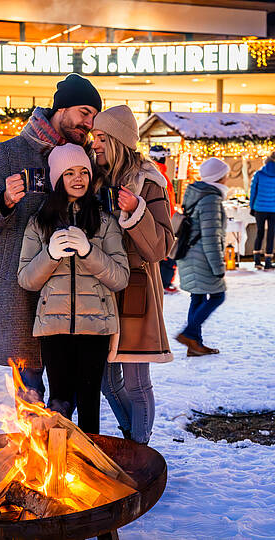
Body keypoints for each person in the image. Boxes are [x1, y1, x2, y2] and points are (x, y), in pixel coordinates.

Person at [0, 74, 102, 401]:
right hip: (21, 293)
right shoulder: (9, 153)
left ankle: (63, 452)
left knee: (65, 393)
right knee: (30, 392)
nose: (88, 123)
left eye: (93, 117)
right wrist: (5, 199)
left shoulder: (85, 158)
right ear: (62, 108)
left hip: (69, 293)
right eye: (84, 112)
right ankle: (36, 452)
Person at [17, 144, 129, 434]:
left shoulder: (104, 222)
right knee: (60, 402)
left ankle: (90, 467)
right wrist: (50, 254)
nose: (78, 179)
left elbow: (120, 278)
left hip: (96, 328)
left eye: (83, 172)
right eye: (69, 173)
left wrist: (88, 250)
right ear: (56, 178)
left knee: (90, 402)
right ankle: (59, 464)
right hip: (53, 327)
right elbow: (27, 279)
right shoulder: (39, 224)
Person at [92, 105, 174, 444]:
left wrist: (135, 211)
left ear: (116, 139)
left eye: (100, 137)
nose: (94, 143)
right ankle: (132, 439)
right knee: (106, 380)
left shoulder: (148, 180)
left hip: (136, 292)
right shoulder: (93, 177)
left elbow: (162, 248)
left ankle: (140, 451)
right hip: (98, 290)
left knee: (137, 381)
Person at [176, 157, 229, 357]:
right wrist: (218, 267)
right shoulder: (210, 199)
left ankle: (194, 345)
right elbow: (211, 236)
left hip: (190, 254)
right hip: (202, 257)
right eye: (225, 174)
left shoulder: (197, 193)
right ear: (219, 177)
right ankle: (190, 334)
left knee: (197, 297)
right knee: (218, 295)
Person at [149, 145, 179, 294]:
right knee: (168, 253)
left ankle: (162, 281)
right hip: (165, 219)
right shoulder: (160, 176)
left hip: (160, 218)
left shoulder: (153, 173)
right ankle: (165, 282)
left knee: (163, 254)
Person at [250, 152, 275, 271]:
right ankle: (269, 262)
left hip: (259, 208)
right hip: (274, 209)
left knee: (259, 232)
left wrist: (252, 207)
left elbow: (253, 192)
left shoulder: (259, 174)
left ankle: (257, 261)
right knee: (271, 234)